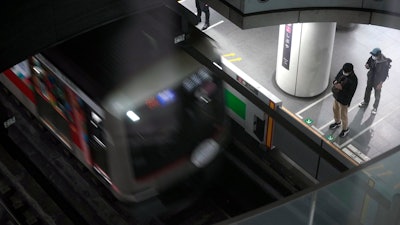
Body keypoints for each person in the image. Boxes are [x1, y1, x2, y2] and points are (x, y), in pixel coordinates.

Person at [358, 48, 392, 115]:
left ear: (379, 55)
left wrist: (380, 84)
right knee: (368, 90)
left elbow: (385, 75)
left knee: (377, 94)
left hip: (378, 81)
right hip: (370, 78)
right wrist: (367, 66)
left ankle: (375, 107)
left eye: (374, 55)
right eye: (372, 55)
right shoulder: (373, 57)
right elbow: (368, 63)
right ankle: (365, 101)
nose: (373, 56)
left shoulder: (384, 63)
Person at [329, 63, 358, 138]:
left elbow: (350, 93)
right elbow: (337, 77)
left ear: (350, 71)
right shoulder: (343, 70)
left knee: (343, 115)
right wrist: (335, 81)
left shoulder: (354, 80)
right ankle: (337, 122)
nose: (344, 72)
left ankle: (345, 129)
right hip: (337, 97)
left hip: (344, 100)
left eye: (346, 72)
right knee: (335, 109)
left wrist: (342, 88)